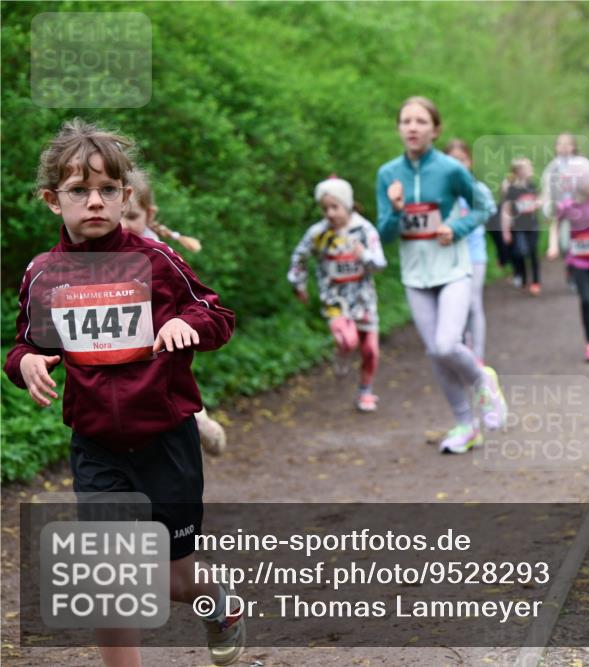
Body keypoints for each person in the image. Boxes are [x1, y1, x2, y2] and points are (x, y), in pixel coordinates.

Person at [3, 118, 242, 666]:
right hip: (97, 446)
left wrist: (186, 324)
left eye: (108, 189)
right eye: (78, 190)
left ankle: (219, 602)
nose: (95, 201)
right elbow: (25, 346)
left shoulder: (157, 262)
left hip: (166, 441)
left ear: (126, 197)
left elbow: (216, 315)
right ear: (52, 199)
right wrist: (27, 363)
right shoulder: (44, 275)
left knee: (178, 580)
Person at [376, 96, 507, 454]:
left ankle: (483, 381)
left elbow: (484, 206)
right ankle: (466, 425)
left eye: (421, 121)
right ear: (398, 128)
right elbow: (384, 234)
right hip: (416, 275)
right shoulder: (388, 174)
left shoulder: (450, 169)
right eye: (406, 121)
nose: (412, 127)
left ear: (435, 130)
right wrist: (396, 210)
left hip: (452, 269)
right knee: (435, 352)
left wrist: (458, 228)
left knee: (447, 343)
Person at [123, 168, 228, 454]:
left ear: (149, 215)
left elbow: (199, 303)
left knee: (170, 387)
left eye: (131, 217)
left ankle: (201, 422)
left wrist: (183, 322)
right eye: (117, 216)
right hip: (125, 347)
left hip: (163, 344)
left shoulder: (159, 253)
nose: (123, 226)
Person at [288, 175, 386, 411]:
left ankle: (365, 392)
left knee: (370, 350)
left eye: (335, 207)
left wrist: (363, 255)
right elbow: (299, 256)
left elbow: (380, 263)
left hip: (363, 298)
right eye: (325, 209)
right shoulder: (318, 233)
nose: (330, 213)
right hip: (334, 298)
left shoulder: (364, 230)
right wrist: (298, 283)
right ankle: (343, 352)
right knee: (348, 340)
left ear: (347, 204)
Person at [547, 163, 589, 362]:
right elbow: (555, 225)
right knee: (586, 299)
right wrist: (553, 246)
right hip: (578, 261)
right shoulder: (567, 206)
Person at [443, 139, 497, 362]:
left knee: (473, 303)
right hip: (448, 257)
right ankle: (460, 350)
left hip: (474, 256)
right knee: (455, 308)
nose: (457, 165)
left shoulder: (478, 189)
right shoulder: (441, 193)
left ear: (470, 162)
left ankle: (477, 357)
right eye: (452, 160)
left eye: (462, 160)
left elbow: (489, 211)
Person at [539, 133, 589, 290]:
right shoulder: (552, 167)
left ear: (573, 147)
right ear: (556, 147)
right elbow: (546, 191)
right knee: (566, 244)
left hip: (581, 210)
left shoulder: (582, 163)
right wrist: (547, 209)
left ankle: (581, 272)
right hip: (562, 211)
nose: (564, 147)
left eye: (567, 144)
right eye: (560, 144)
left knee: (580, 242)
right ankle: (571, 269)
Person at [501, 157, 542, 296]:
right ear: (518, 171)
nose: (530, 170)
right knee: (521, 252)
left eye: (530, 167)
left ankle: (536, 282)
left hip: (533, 225)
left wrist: (537, 204)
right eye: (527, 168)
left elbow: (539, 201)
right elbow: (506, 210)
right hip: (518, 227)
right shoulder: (512, 189)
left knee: (533, 252)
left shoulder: (532, 186)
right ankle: (524, 279)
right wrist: (506, 231)